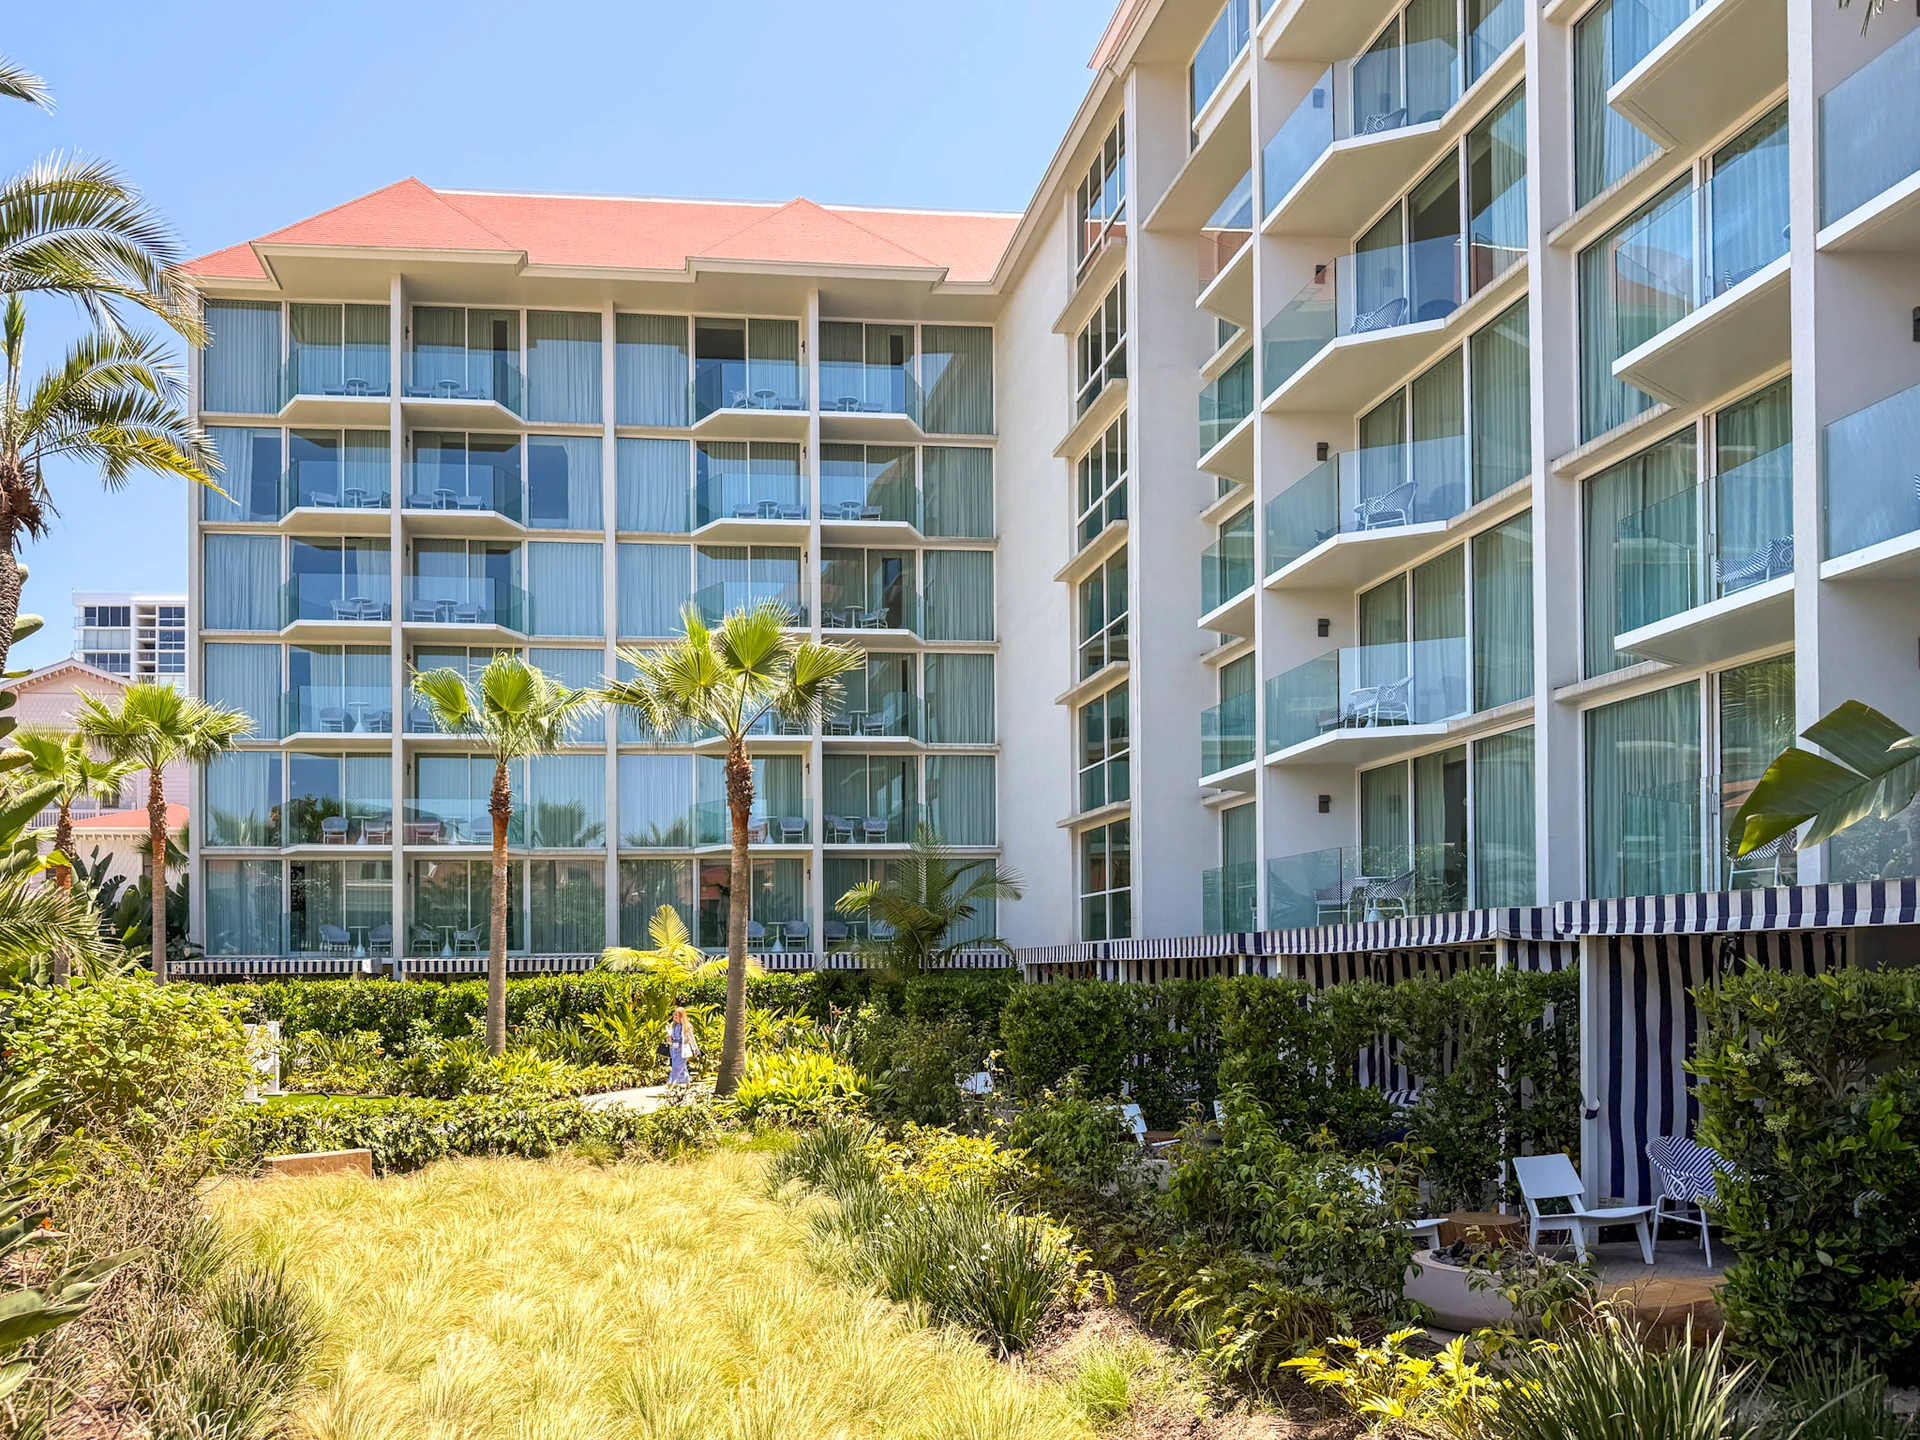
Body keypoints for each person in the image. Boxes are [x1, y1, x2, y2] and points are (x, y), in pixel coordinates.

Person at [667, 1006, 698, 1086]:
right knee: (682, 1068)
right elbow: (672, 1038)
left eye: (677, 1015)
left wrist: (695, 1050)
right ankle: (687, 1083)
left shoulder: (686, 1027)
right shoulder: (674, 1026)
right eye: (674, 1015)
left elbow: (692, 1039)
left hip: (682, 1051)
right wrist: (670, 1038)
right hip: (674, 1050)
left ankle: (671, 1083)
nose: (675, 1017)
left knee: (676, 1067)